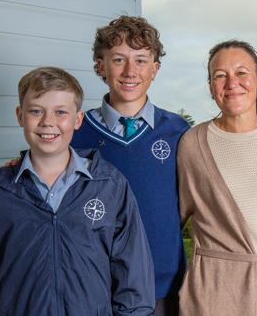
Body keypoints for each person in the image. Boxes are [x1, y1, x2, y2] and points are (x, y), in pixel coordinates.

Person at [0, 67, 155, 315]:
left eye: (61, 112)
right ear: (20, 116)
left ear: (77, 120)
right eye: (35, 111)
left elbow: (133, 277)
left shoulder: (109, 185)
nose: (47, 122)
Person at [177, 40, 257, 316]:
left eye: (241, 73)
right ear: (212, 88)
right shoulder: (192, 144)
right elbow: (173, 219)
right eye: (220, 76)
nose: (231, 82)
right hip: (218, 290)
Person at [71, 16, 189, 315]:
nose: (130, 71)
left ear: (155, 69)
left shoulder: (178, 131)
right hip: (95, 284)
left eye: (140, 60)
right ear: (100, 65)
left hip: (163, 286)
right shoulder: (74, 131)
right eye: (118, 59)